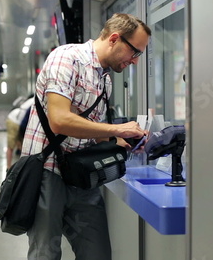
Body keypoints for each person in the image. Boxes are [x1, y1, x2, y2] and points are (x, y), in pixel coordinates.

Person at [21, 13, 151, 260]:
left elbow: (89, 126)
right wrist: (117, 129)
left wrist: (118, 141)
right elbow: (59, 121)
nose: (134, 61)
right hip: (48, 172)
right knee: (45, 253)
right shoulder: (66, 59)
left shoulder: (105, 78)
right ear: (114, 39)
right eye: (135, 52)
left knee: (97, 253)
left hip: (82, 175)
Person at [5, 96, 34, 170]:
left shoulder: (34, 100)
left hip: (19, 121)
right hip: (14, 120)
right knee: (11, 145)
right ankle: (8, 167)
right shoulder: (35, 100)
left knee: (22, 145)